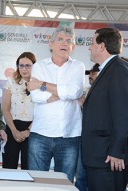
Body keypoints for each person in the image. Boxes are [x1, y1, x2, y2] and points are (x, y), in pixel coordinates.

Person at [26, 25, 85, 182]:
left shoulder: (78, 66)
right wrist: (65, 93)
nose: (64, 43)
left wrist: (42, 84)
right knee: (36, 181)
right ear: (51, 44)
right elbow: (37, 97)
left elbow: (74, 92)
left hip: (70, 135)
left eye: (68, 41)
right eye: (60, 40)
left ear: (73, 46)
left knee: (64, 183)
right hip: (40, 134)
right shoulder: (39, 66)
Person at [82, 28, 128, 191]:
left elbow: (123, 115)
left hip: (109, 158)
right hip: (99, 156)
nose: (89, 47)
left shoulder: (119, 70)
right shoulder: (109, 70)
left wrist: (117, 151)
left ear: (102, 46)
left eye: (92, 43)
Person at [2, 52, 36, 170]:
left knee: (29, 168)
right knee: (9, 166)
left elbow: (42, 111)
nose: (24, 69)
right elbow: (5, 109)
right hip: (13, 126)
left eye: (28, 65)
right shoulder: (11, 82)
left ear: (34, 66)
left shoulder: (40, 84)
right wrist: (14, 131)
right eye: (21, 65)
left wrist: (28, 131)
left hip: (32, 128)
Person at [75, 63, 100, 191]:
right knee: (80, 177)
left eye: (94, 73)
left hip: (100, 142)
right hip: (83, 139)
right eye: (90, 73)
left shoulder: (107, 90)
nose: (90, 75)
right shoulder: (83, 90)